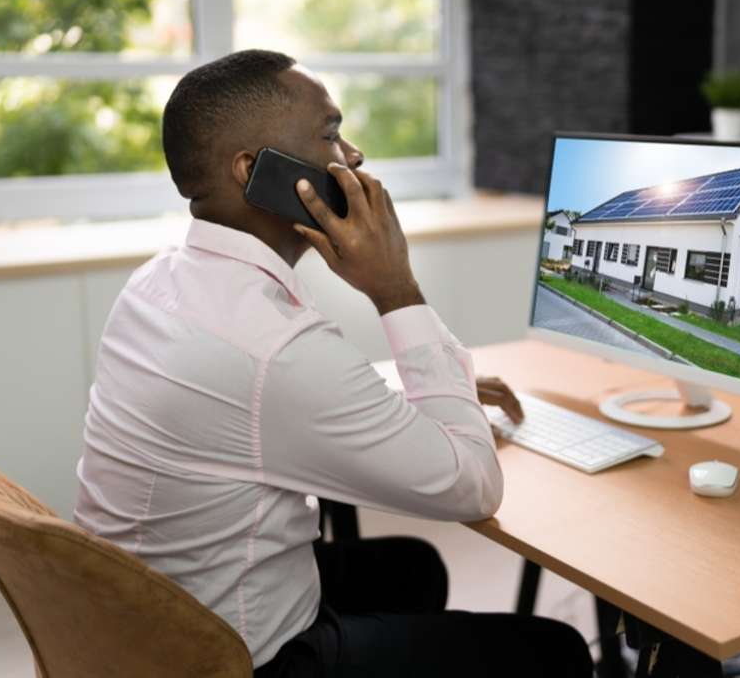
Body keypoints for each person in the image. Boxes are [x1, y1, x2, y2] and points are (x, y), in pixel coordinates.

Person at [73, 49, 593, 677]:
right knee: (554, 652)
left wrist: (434, 387)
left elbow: (271, 404)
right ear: (254, 171)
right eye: (329, 134)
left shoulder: (159, 283)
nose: (353, 157)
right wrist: (395, 288)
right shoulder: (273, 348)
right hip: (229, 658)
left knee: (412, 569)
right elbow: (473, 487)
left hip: (146, 619)